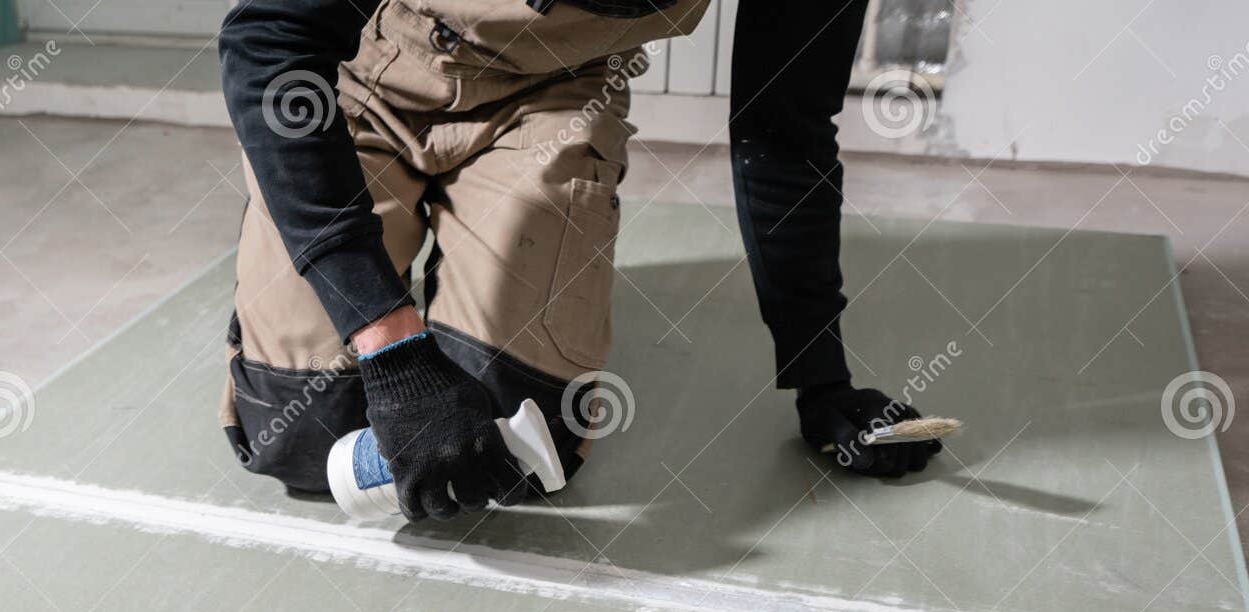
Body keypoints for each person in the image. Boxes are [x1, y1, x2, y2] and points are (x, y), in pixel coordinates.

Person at [218, 0, 941, 522]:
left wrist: (823, 381)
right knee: (303, 435)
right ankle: (332, 264)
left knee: (516, 446)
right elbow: (269, 42)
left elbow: (785, 132)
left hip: (558, 90)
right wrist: (391, 346)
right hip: (369, 68)